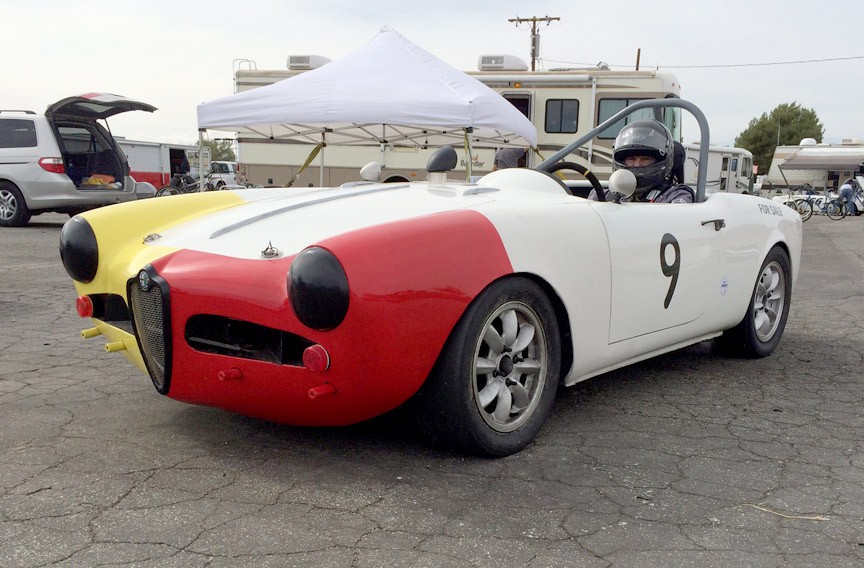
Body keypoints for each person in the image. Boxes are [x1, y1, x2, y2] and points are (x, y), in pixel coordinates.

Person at [589, 119, 694, 203]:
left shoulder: (676, 195)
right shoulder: (601, 196)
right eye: (631, 159)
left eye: (645, 159)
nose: (637, 164)